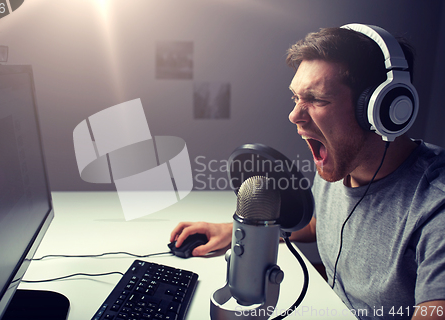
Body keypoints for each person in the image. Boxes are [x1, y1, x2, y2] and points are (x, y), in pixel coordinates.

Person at [170, 26, 445, 319]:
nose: (294, 115)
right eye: (295, 98)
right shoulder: (340, 163)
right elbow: (317, 223)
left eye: (317, 100)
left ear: (382, 109)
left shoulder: (435, 209)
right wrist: (240, 232)